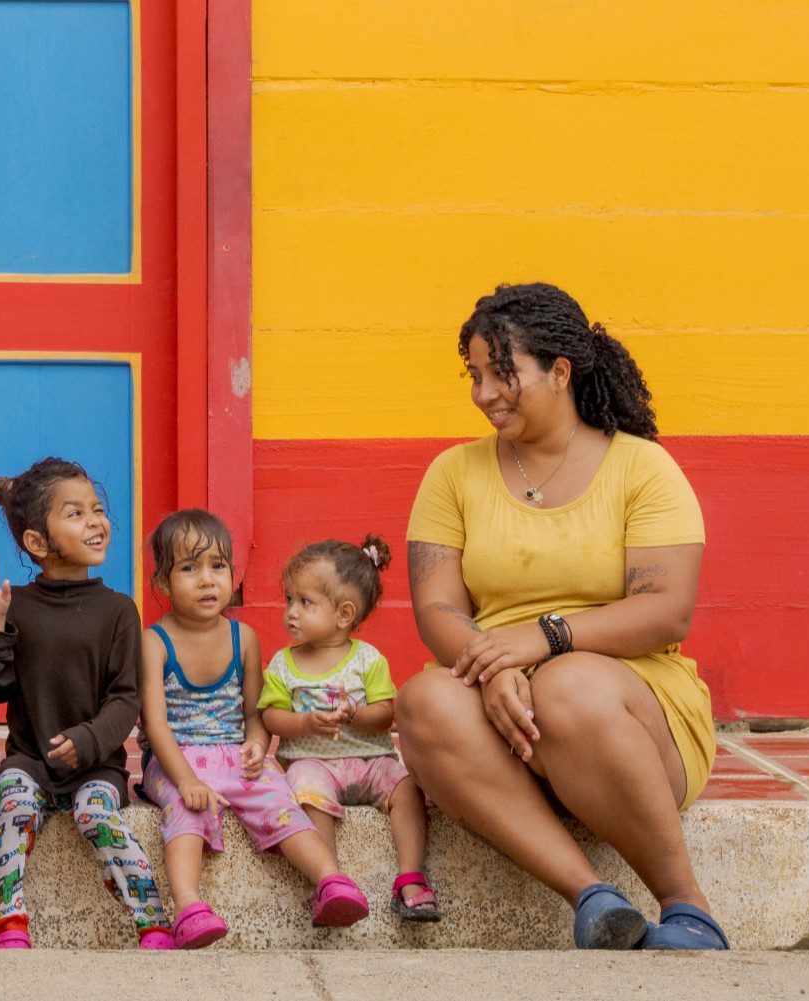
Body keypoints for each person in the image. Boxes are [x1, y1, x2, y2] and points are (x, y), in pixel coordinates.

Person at [399, 282, 727, 950]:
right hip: (503, 693)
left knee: (568, 682)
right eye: (475, 375)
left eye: (502, 372)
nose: (484, 391)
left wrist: (541, 640)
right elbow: (438, 607)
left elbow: (667, 611)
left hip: (626, 706)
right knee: (424, 698)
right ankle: (593, 898)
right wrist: (492, 665)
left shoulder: (644, 468)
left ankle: (688, 908)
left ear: (560, 371)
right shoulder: (452, 474)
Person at [0, 457, 172, 950]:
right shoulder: (16, 605)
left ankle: (152, 918)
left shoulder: (119, 609)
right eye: (75, 513)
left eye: (96, 509)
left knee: (96, 814)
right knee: (10, 805)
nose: (96, 521)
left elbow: (126, 696)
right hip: (30, 760)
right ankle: (9, 919)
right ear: (37, 542)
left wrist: (90, 740)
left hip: (98, 766)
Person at [137, 510, 369, 948]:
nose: (207, 580)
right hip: (176, 758)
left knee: (278, 798)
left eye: (217, 566)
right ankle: (188, 907)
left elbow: (253, 714)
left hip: (233, 752)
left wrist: (259, 746)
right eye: (190, 568)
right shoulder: (153, 641)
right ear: (165, 584)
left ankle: (332, 881)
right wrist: (186, 780)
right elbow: (155, 723)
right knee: (186, 812)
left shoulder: (244, 638)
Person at [259, 535, 437, 922]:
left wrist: (355, 712)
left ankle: (411, 876)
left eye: (305, 602)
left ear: (343, 614)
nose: (291, 611)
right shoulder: (283, 664)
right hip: (314, 762)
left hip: (370, 760)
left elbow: (385, 713)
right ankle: (329, 880)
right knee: (304, 788)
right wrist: (304, 722)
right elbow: (271, 717)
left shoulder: (367, 660)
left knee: (408, 786)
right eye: (289, 599)